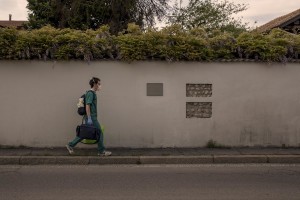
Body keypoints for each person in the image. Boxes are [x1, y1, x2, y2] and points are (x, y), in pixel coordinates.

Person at [66, 77, 112, 156]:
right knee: (99, 132)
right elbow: (87, 105)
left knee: (84, 133)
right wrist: (90, 118)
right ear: (94, 84)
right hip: (91, 117)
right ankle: (101, 151)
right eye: (99, 84)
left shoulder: (92, 93)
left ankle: (70, 145)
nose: (100, 86)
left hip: (91, 117)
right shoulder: (90, 93)